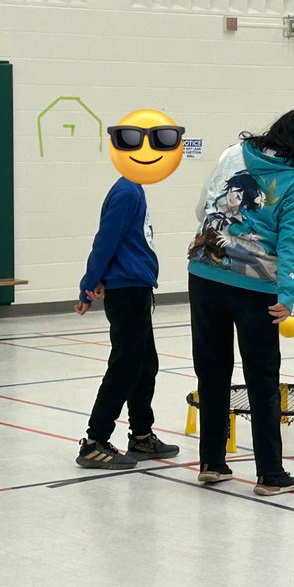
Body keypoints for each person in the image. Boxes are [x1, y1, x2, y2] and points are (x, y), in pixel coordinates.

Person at [187, 110, 294, 495]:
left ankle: (212, 463)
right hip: (255, 289)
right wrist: (288, 295)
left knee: (211, 372)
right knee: (262, 379)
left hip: (204, 273)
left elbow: (201, 210)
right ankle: (270, 474)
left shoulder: (233, 154)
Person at [74, 109, 184, 469]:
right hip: (127, 291)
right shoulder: (125, 192)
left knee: (145, 364)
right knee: (124, 365)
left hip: (137, 288)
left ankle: (140, 436)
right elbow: (105, 241)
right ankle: (94, 440)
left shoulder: (135, 188)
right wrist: (89, 284)